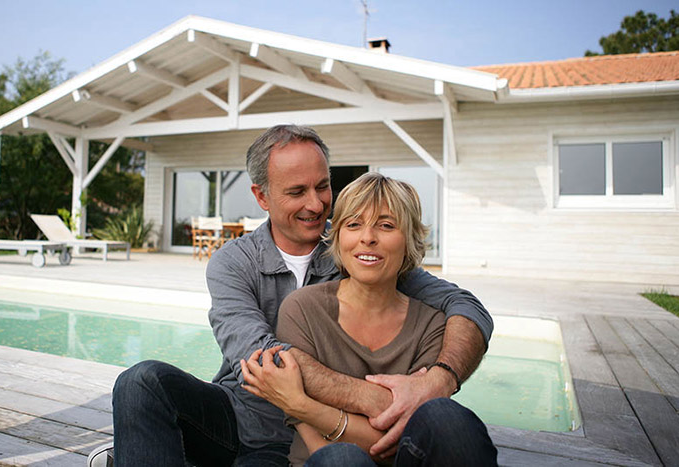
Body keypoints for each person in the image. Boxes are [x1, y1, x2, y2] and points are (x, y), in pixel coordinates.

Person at [99, 125, 493, 466]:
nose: (316, 203)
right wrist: (384, 401)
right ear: (262, 196)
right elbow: (263, 360)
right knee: (141, 382)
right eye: (297, 191)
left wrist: (437, 381)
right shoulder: (232, 264)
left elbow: (467, 308)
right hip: (243, 423)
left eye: (323, 186)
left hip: (327, 438)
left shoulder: (356, 251)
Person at [240, 172, 497, 465]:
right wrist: (303, 409)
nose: (368, 238)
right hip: (325, 460)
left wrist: (302, 404)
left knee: (447, 418)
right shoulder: (302, 310)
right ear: (337, 237)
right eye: (353, 225)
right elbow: (318, 443)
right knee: (343, 459)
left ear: (410, 240)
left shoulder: (433, 326)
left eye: (386, 226)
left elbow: (411, 438)